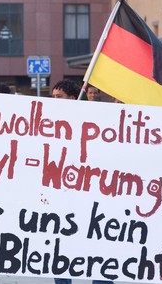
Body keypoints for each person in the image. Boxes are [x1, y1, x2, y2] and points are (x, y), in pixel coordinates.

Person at [52, 79, 114, 284]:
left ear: (73, 98)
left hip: (93, 195)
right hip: (63, 196)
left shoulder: (96, 121)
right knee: (61, 247)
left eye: (58, 97)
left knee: (97, 244)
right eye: (52, 97)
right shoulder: (49, 124)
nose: (54, 101)